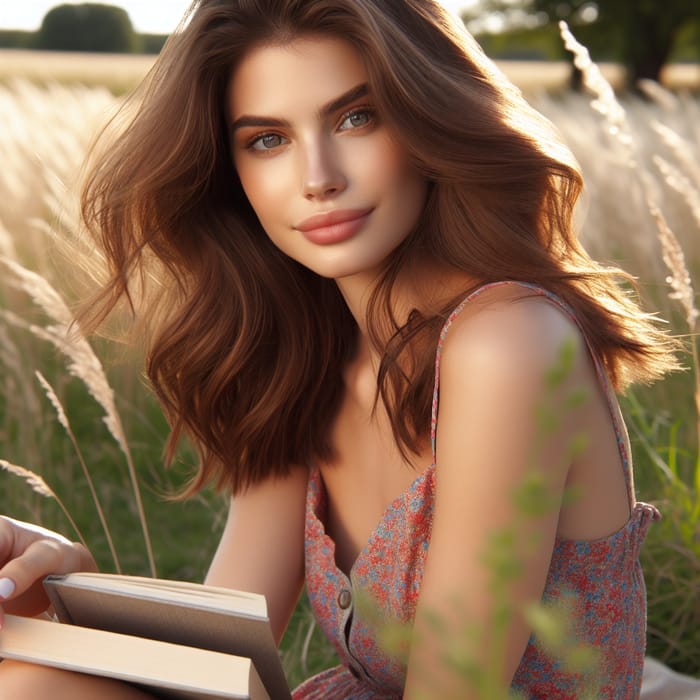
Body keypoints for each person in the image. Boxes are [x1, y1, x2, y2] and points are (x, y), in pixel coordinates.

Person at [0, 0, 679, 698]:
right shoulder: (304, 360)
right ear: (230, 173)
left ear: (427, 120)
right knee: (27, 676)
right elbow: (211, 669)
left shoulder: (509, 344)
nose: (318, 177)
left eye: (357, 117)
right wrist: (53, 598)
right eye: (267, 140)